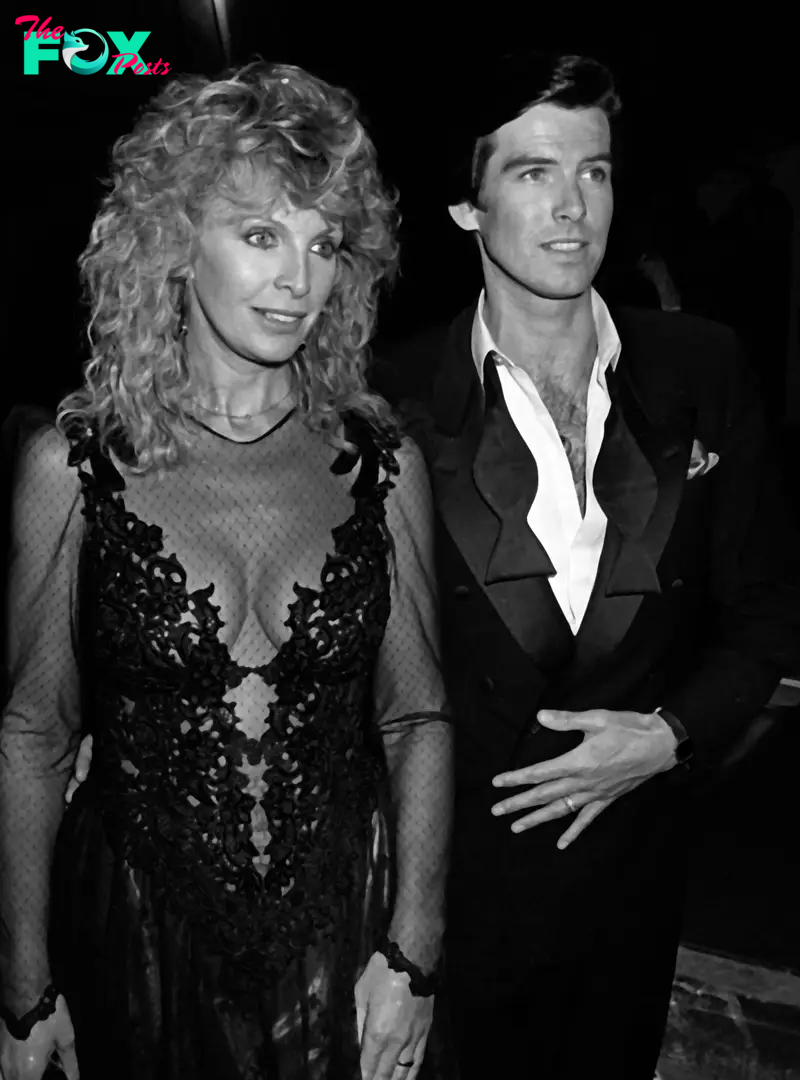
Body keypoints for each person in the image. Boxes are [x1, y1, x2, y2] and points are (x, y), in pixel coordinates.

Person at [0, 62, 453, 1080]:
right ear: (174, 243)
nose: (299, 279)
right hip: (133, 937)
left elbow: (417, 718)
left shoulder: (381, 465)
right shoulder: (72, 467)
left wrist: (412, 953)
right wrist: (22, 988)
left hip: (343, 930)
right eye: (261, 236)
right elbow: (33, 733)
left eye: (323, 243)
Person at [371, 51, 800, 1079]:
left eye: (593, 172)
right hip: (454, 904)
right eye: (531, 173)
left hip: (635, 889)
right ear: (464, 209)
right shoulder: (388, 398)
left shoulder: (701, 366)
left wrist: (668, 736)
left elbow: (768, 617)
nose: (572, 208)